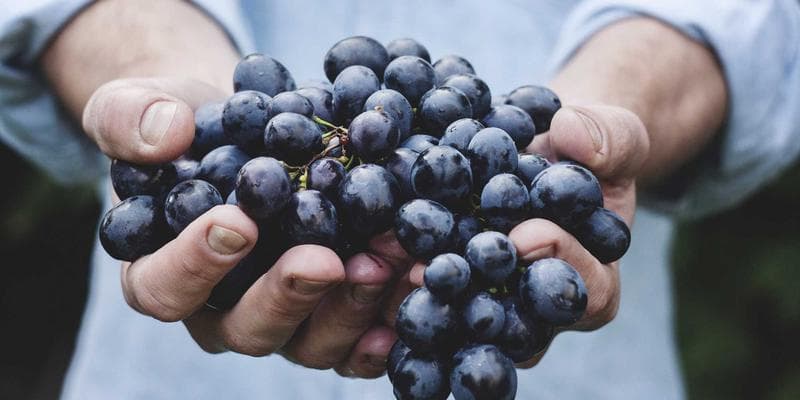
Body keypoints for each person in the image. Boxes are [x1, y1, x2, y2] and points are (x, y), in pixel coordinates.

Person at [1, 0, 798, 399]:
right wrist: (163, 94)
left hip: (557, 312)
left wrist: (607, 112)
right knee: (231, 237)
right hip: (174, 358)